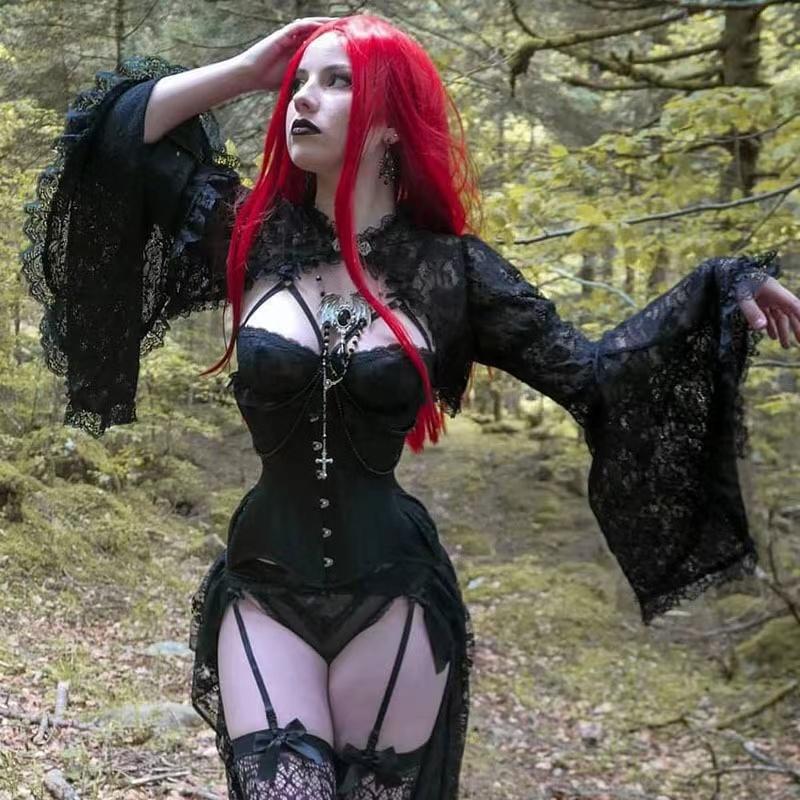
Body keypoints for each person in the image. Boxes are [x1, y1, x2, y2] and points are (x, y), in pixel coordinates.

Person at [20, 13, 800, 800]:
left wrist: (718, 285)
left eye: (337, 82)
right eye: (300, 82)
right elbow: (116, 140)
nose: (303, 98)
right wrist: (251, 70)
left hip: (395, 596)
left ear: (390, 122)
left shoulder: (451, 272)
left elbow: (596, 378)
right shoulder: (246, 235)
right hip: (263, 588)